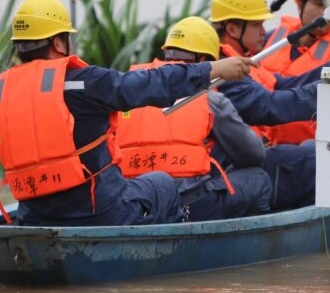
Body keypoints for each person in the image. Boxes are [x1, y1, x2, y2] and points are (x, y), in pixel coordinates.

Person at [0, 0, 255, 227]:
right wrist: (212, 69)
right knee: (162, 183)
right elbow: (151, 83)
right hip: (99, 213)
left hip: (34, 216)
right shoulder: (87, 83)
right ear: (58, 43)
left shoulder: (3, 94)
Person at [113, 17, 272, 222]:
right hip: (190, 204)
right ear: (205, 61)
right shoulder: (211, 99)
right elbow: (253, 155)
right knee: (258, 178)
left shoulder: (131, 89)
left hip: (139, 200)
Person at [208, 0, 320, 210]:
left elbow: (285, 85)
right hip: (235, 170)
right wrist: (329, 93)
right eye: (257, 25)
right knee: (322, 159)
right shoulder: (222, 71)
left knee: (312, 146)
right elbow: (269, 105)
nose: (263, 32)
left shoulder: (240, 61)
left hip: (252, 159)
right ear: (232, 29)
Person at [259, 0, 330, 145]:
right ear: (300, 4)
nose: (327, 12)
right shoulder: (269, 39)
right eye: (319, 3)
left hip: (305, 151)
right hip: (260, 145)